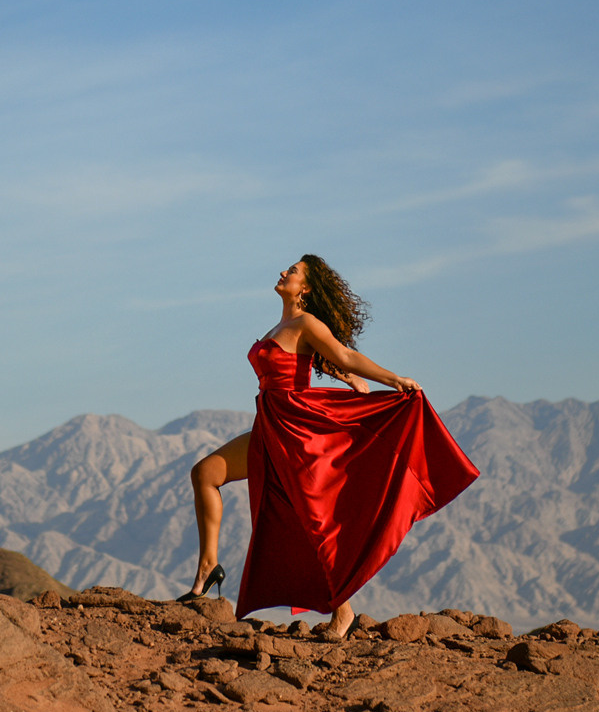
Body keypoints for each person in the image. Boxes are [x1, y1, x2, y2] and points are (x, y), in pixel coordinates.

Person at [184, 255, 479, 640]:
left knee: (313, 521)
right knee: (205, 474)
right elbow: (315, 359)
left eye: (292, 272)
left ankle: (344, 613)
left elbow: (342, 353)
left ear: (304, 287)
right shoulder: (283, 324)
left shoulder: (306, 322)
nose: (283, 273)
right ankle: (208, 569)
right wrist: (345, 377)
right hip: (272, 426)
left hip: (298, 430)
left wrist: (392, 379)